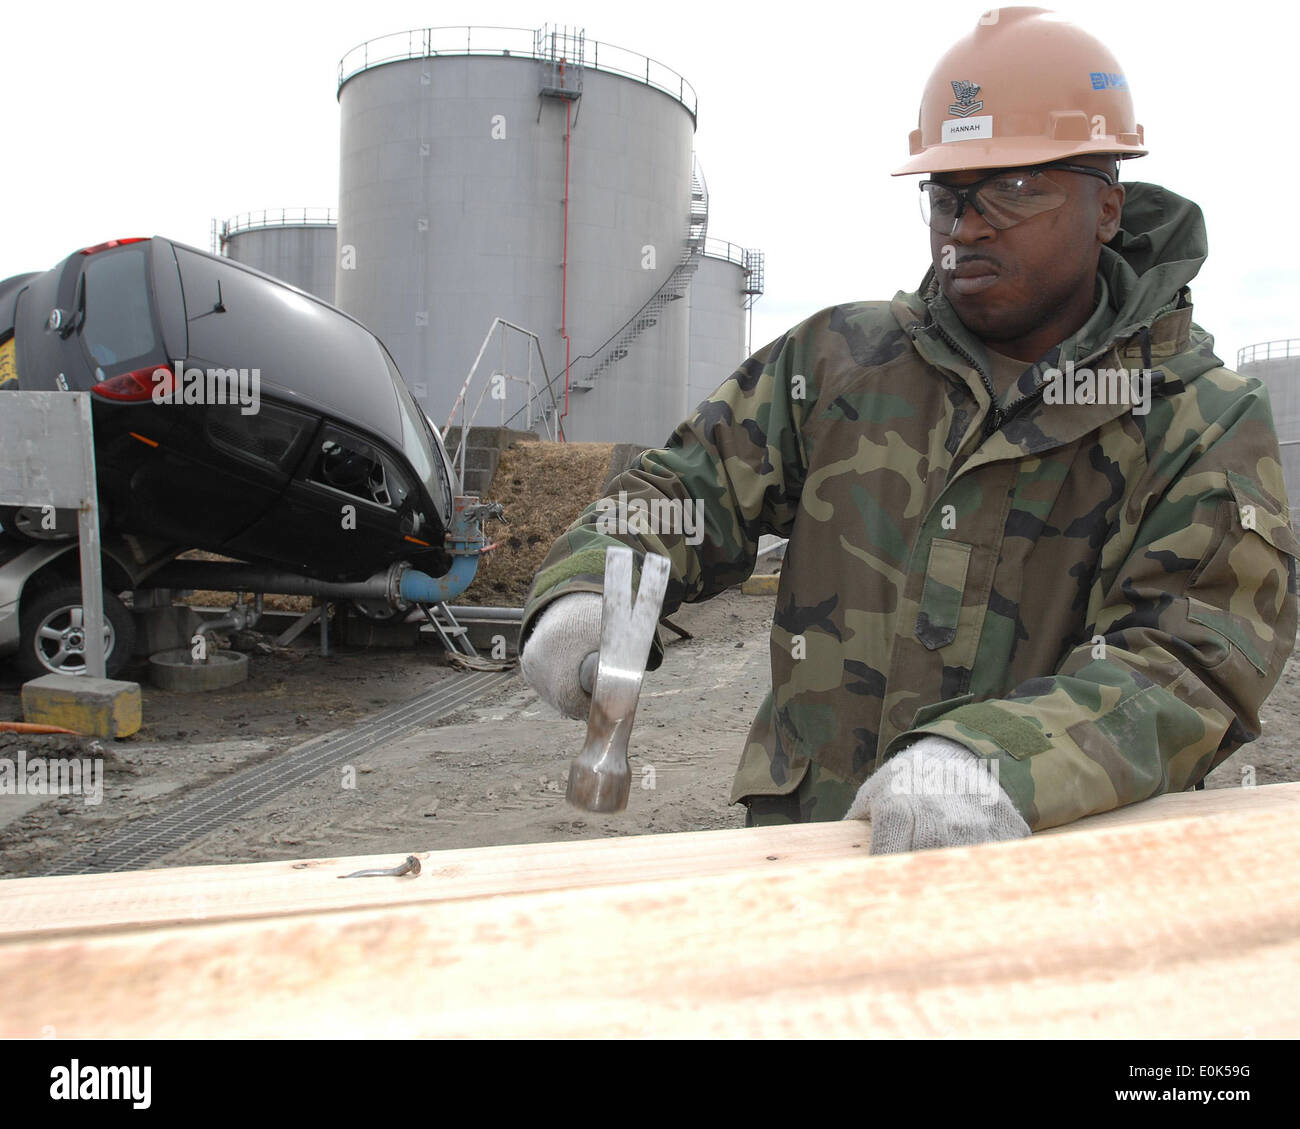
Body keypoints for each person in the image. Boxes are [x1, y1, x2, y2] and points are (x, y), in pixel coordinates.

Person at [518, 7, 1298, 853]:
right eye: (947, 196)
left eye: (1017, 188)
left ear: (1107, 207)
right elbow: (681, 491)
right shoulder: (839, 362)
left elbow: (1190, 662)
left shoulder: (1198, 419)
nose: (967, 226)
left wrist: (998, 763)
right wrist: (590, 585)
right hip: (814, 861)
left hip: (1055, 879)